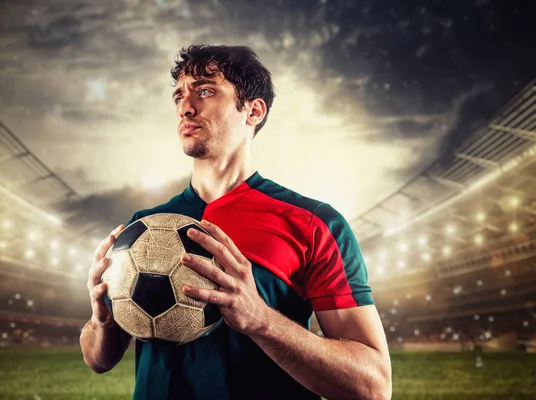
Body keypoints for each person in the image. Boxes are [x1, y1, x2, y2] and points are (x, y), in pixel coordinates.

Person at [80, 44, 392, 400]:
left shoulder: (313, 224)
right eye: (179, 95)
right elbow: (98, 359)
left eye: (206, 90)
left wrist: (260, 319)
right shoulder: (143, 228)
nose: (186, 106)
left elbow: (373, 386)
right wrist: (101, 321)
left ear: (254, 110)